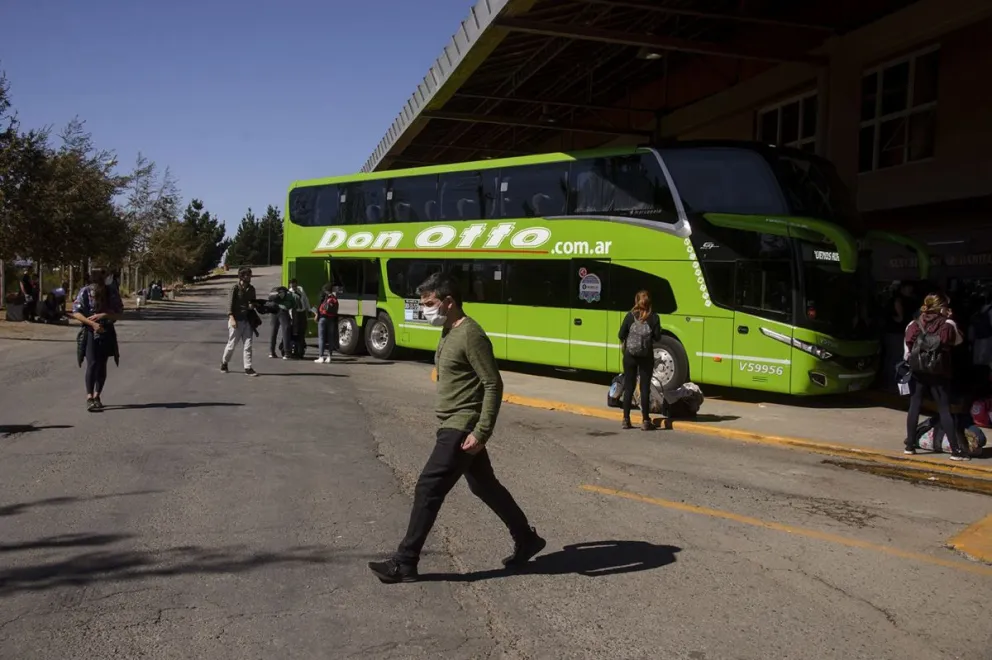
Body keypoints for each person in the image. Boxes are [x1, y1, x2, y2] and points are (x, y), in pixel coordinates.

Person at [368, 273, 545, 584]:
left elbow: (493, 384)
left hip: (462, 426)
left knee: (427, 487)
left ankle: (406, 561)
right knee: (484, 486)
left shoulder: (471, 335)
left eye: (429, 303)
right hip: (453, 423)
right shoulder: (449, 330)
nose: (425, 309)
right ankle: (526, 538)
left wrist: (482, 431)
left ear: (449, 302)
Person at [903, 293, 968, 460]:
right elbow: (958, 341)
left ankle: (910, 446)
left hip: (918, 371)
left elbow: (908, 346)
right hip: (939, 371)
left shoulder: (914, 323)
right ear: (941, 307)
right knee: (944, 409)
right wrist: (951, 320)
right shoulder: (947, 324)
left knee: (914, 405)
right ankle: (955, 451)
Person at [71, 268, 124, 411]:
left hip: (106, 331)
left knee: (102, 364)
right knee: (92, 363)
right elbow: (76, 312)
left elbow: (119, 313)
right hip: (90, 331)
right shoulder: (85, 292)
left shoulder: (111, 292)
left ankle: (97, 395)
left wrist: (104, 316)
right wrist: (92, 324)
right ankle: (89, 397)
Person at [617, 290, 663, 430]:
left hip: (630, 356)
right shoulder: (654, 317)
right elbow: (657, 337)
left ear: (636, 301)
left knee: (629, 387)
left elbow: (620, 334)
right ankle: (645, 420)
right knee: (644, 388)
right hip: (646, 356)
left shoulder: (630, 316)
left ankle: (626, 419)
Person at [221, 266, 258, 376]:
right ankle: (224, 362)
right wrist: (231, 318)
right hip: (236, 320)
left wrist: (253, 305)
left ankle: (248, 367)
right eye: (247, 275)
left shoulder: (251, 289)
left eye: (250, 275)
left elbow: (253, 301)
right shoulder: (235, 288)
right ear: (242, 276)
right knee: (231, 345)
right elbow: (229, 305)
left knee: (248, 345)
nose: (249, 277)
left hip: (247, 320)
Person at [314, 283, 339, 363]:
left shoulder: (323, 296)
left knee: (321, 337)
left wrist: (317, 315)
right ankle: (329, 356)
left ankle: (321, 357)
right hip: (331, 319)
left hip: (323, 318)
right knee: (330, 337)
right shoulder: (334, 297)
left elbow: (319, 307)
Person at [268, 286, 295, 359]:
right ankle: (287, 353)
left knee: (273, 331)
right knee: (285, 331)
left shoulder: (274, 292)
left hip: (273, 311)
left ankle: (271, 352)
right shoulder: (288, 294)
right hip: (282, 311)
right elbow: (292, 304)